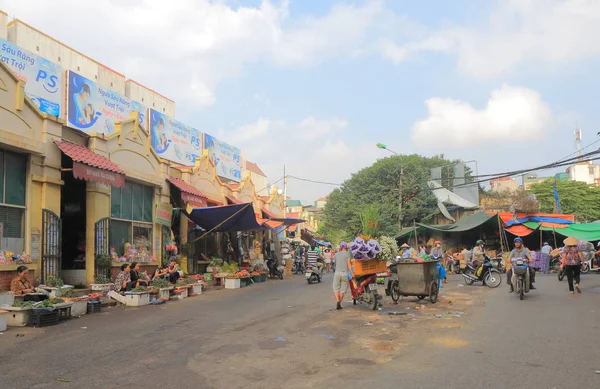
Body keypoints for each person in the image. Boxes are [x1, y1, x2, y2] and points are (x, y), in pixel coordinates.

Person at [332, 242, 352, 310]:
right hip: (345, 274)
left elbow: (334, 263)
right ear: (346, 247)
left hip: (337, 273)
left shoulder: (336, 254)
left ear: (340, 247)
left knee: (335, 288)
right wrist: (352, 273)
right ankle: (339, 303)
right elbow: (349, 265)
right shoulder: (348, 254)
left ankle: (337, 301)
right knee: (343, 290)